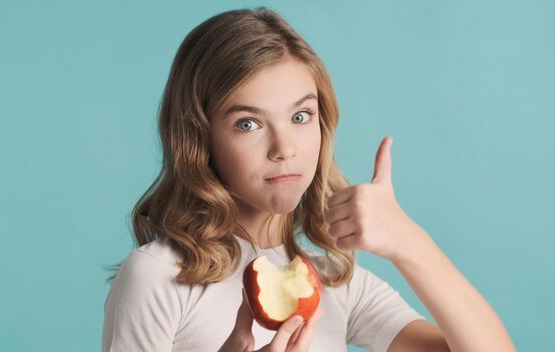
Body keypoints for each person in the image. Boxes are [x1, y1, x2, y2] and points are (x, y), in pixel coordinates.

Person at [102, 7, 516, 352]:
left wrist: (410, 244)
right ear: (199, 137)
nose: (285, 148)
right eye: (248, 123)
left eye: (301, 117)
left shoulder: (333, 281)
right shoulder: (158, 276)